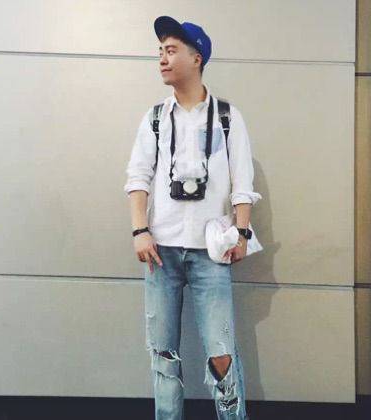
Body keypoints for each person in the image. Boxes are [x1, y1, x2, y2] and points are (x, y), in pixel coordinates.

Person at [124, 15, 261, 420]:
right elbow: (138, 177)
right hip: (160, 252)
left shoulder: (228, 117)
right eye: (160, 51)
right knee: (163, 354)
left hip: (211, 254)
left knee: (222, 354)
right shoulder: (154, 118)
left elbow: (243, 183)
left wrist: (241, 232)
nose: (162, 59)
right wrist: (139, 230)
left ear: (196, 57)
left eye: (171, 50)